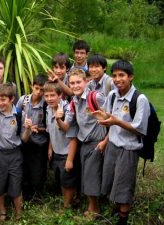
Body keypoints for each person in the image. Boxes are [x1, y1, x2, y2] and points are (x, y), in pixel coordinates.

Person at [92, 60, 150, 225]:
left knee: (124, 185)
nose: (118, 79)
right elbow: (111, 120)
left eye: (122, 75)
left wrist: (116, 121)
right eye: (115, 75)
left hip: (129, 148)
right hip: (113, 146)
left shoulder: (140, 99)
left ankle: (123, 219)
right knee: (111, 181)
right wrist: (104, 124)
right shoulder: (112, 95)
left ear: (130, 76)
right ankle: (116, 211)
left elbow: (139, 129)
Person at [0, 82, 33, 221]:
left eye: (3, 100)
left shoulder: (20, 115)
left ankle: (18, 213)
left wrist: (28, 129)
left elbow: (24, 138)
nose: (0, 103)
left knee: (16, 185)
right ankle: (3, 211)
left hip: (15, 154)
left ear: (12, 99)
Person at [62, 68, 107, 219]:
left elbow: (112, 118)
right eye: (72, 83)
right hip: (84, 143)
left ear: (86, 82)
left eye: (78, 82)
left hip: (96, 142)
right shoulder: (73, 102)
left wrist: (105, 141)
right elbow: (68, 125)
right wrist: (58, 118)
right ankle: (91, 205)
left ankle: (94, 209)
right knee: (87, 175)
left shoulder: (96, 97)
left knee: (91, 175)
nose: (75, 86)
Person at [43, 81, 79, 209]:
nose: (49, 99)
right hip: (56, 151)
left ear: (60, 95)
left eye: (52, 95)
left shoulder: (67, 109)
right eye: (46, 96)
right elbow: (51, 131)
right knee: (61, 180)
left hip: (67, 152)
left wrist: (69, 160)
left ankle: (67, 206)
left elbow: (72, 136)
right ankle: (68, 202)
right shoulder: (48, 109)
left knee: (67, 181)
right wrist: (50, 148)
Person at [16, 74, 48, 199]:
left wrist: (38, 129)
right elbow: (15, 116)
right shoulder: (23, 100)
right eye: (36, 88)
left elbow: (49, 127)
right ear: (32, 86)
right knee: (24, 167)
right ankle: (25, 193)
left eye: (42, 90)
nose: (39, 92)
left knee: (38, 170)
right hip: (24, 141)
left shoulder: (46, 104)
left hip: (39, 143)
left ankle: (37, 194)